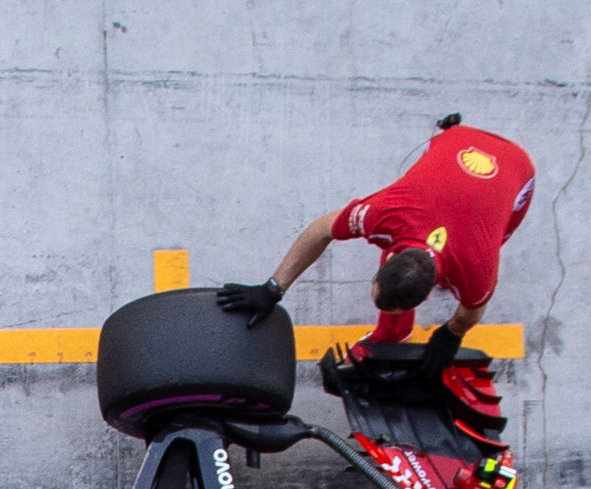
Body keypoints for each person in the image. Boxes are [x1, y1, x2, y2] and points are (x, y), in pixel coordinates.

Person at [218, 115, 535, 374]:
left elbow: (471, 312)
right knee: (436, 161)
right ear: (389, 257)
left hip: (517, 166)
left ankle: (395, 331)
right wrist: (274, 287)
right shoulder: (386, 213)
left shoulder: (477, 265)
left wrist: (452, 333)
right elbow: (321, 229)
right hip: (457, 139)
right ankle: (394, 331)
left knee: (496, 233)